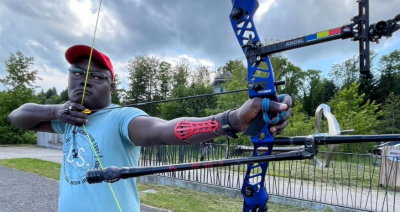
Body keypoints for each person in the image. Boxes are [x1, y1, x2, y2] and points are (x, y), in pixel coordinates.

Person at [8, 44, 292, 212]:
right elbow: (18, 116)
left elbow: (164, 130)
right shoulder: (67, 117)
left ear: (112, 84)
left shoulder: (122, 118)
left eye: (96, 76)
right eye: (77, 73)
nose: (84, 81)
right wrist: (57, 110)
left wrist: (232, 119)